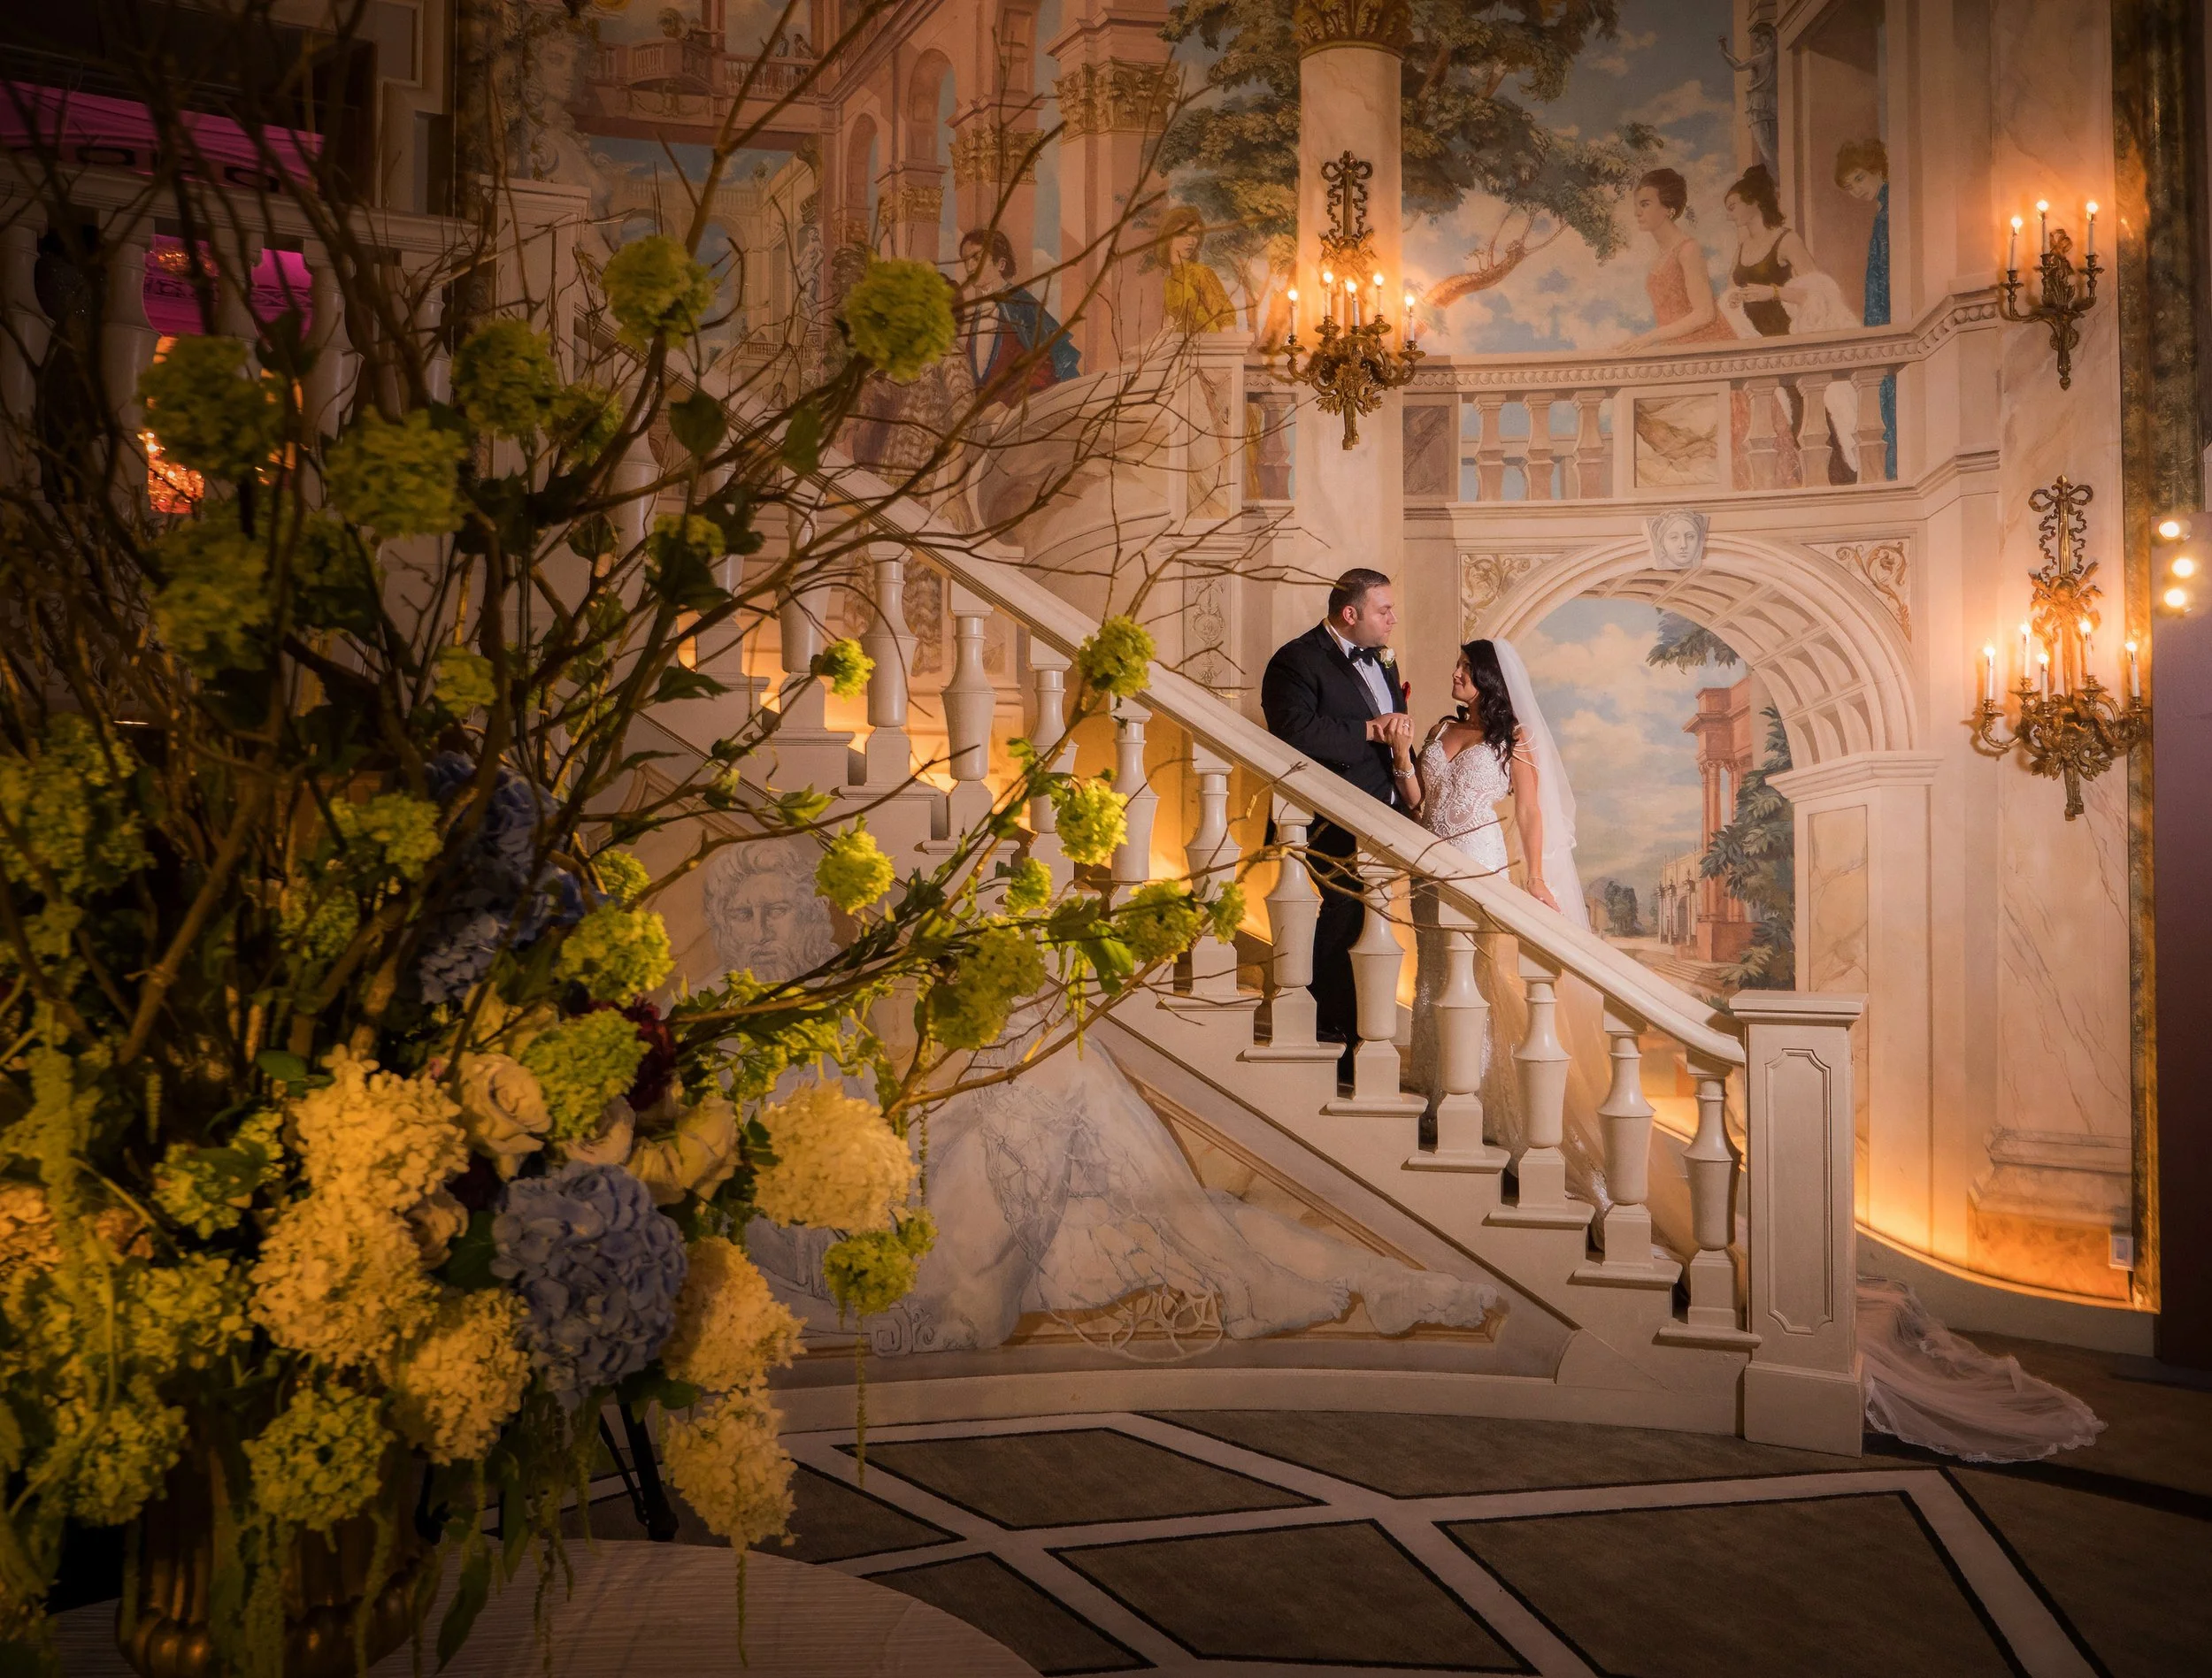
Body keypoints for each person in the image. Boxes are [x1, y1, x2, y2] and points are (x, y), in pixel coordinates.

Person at [1260, 569, 1412, 1084]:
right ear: (1351, 614)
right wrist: (1369, 729)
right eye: (1383, 610)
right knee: (1342, 920)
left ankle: (1349, 1036)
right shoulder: (1296, 660)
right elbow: (1293, 730)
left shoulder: (1382, 660)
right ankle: (1327, 1034)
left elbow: (1394, 729)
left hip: (1378, 815)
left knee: (1363, 925)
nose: (1393, 619)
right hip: (1327, 819)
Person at [1615, 168, 1738, 351]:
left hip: (1706, 348)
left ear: (1669, 210)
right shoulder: (1660, 255)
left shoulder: (1688, 249)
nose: (1637, 213)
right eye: (1637, 205)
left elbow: (1705, 314)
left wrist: (1649, 338)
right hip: (1675, 349)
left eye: (1645, 204)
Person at [959, 227, 1081, 407]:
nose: (969, 268)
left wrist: (1006, 405)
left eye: (976, 259)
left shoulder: (1022, 305)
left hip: (1019, 413)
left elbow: (1044, 366)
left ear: (1000, 264)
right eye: (965, 261)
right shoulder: (978, 312)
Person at [1837, 137, 1898, 479]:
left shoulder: (1894, 208)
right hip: (1880, 315)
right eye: (1849, 186)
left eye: (1859, 178)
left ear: (1877, 169)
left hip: (1890, 314)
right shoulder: (1882, 212)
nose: (1856, 190)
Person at [1160, 206, 1235, 333]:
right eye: (1183, 234)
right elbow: (1168, 330)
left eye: (1194, 235)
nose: (1191, 241)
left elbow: (1226, 320)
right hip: (1183, 349)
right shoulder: (1169, 283)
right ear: (1168, 238)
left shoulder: (1201, 273)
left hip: (1211, 347)